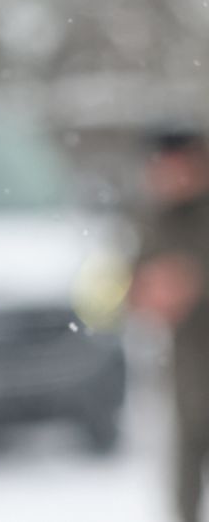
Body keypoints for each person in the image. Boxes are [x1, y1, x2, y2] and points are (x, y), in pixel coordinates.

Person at [133, 124, 209, 522]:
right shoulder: (154, 220)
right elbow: (125, 284)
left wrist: (193, 280)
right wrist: (144, 292)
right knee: (187, 466)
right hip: (187, 372)